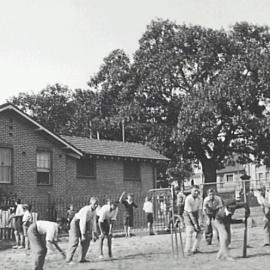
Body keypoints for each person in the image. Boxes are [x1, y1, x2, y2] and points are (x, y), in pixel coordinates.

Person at [65, 197, 99, 264]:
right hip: (76, 223)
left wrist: (94, 232)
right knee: (75, 240)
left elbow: (93, 222)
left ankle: (81, 258)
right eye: (95, 204)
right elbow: (82, 222)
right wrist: (83, 234)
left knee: (87, 239)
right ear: (90, 203)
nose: (96, 205)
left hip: (84, 223)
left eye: (97, 204)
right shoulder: (86, 210)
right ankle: (68, 259)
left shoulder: (94, 211)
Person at [183, 185, 203, 256]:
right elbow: (190, 213)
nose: (196, 192)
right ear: (191, 191)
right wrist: (195, 224)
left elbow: (200, 211)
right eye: (195, 191)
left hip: (196, 213)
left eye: (197, 191)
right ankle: (187, 250)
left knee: (200, 230)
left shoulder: (200, 198)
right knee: (190, 230)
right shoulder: (188, 199)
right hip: (188, 214)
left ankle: (195, 249)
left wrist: (200, 222)